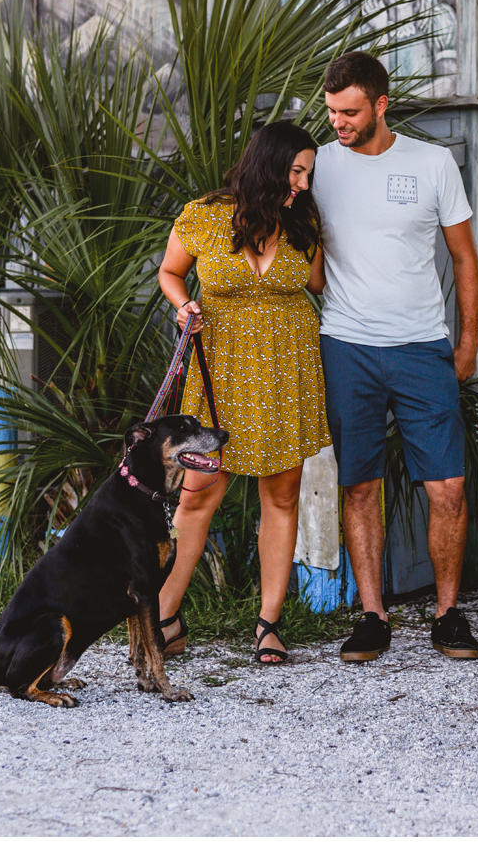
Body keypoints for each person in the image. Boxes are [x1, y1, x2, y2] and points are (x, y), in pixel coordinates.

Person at [313, 51, 478, 663]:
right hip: (347, 345)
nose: (338, 122)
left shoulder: (433, 162)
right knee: (360, 487)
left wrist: (465, 345)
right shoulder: (317, 168)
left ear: (381, 105)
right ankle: (372, 617)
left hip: (421, 347)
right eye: (332, 111)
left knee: (448, 487)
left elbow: (464, 259)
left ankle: (447, 614)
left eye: (350, 111)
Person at [156, 121, 330, 665]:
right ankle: (163, 615)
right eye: (295, 170)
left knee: (280, 496)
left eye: (308, 173)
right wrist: (183, 305)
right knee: (198, 494)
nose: (302, 183)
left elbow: (318, 284)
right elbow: (169, 272)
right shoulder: (204, 215)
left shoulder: (303, 221)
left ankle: (269, 624)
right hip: (219, 371)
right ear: (268, 164)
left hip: (286, 371)